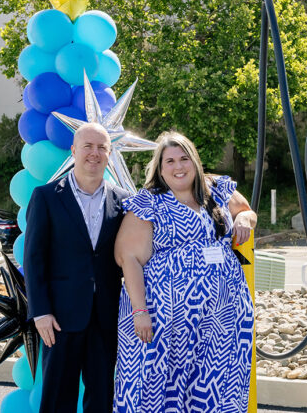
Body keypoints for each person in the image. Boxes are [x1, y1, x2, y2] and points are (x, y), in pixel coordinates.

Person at [113, 132, 256, 412]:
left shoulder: (216, 189)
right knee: (160, 388)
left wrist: (242, 219)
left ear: (195, 161)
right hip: (166, 321)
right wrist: (140, 312)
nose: (178, 166)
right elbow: (127, 257)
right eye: (170, 161)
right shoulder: (150, 202)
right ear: (160, 168)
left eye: (184, 158)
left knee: (218, 386)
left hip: (223, 316)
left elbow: (247, 211)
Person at [24, 122, 132, 412]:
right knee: (57, 399)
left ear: (109, 154)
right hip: (58, 319)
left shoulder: (124, 201)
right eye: (88, 146)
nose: (94, 153)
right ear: (73, 150)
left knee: (102, 399)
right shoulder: (46, 197)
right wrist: (40, 312)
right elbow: (34, 258)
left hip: (106, 318)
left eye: (101, 147)